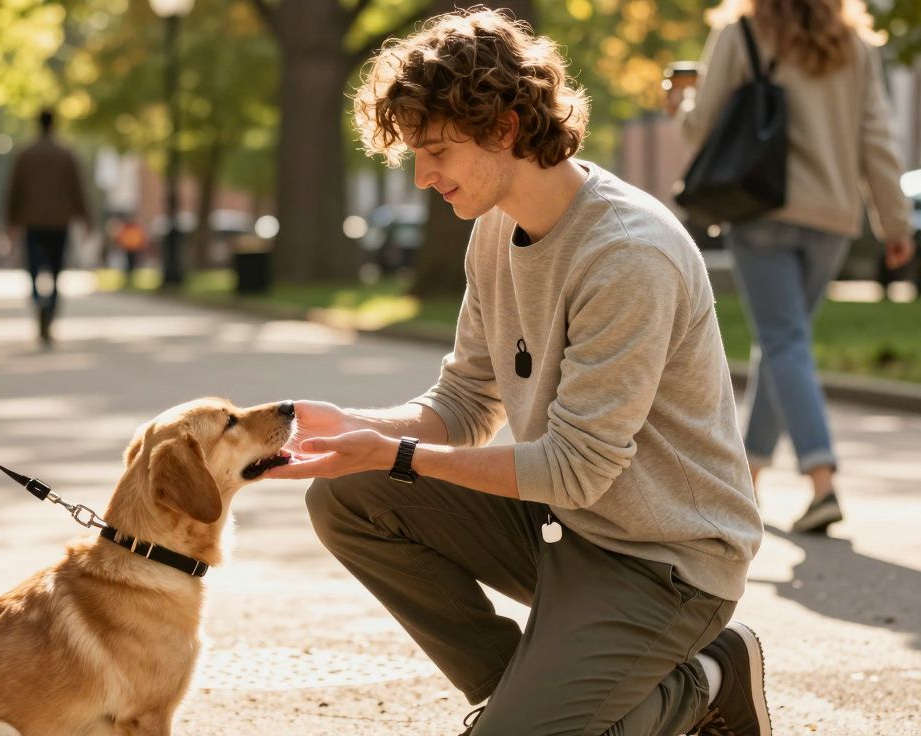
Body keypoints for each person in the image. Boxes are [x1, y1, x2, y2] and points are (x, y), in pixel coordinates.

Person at [267, 9, 768, 735]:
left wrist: (399, 454)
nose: (422, 175)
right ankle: (519, 701)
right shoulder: (494, 230)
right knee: (346, 492)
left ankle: (709, 676)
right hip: (566, 528)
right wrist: (359, 429)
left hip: (667, 562)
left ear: (505, 127)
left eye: (435, 149)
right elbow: (466, 402)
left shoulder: (628, 254)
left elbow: (576, 468)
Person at [668, 0, 915, 534]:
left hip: (761, 210)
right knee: (784, 342)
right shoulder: (854, 45)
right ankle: (749, 474)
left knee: (783, 342)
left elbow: (701, 128)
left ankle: (821, 480)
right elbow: (877, 140)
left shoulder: (742, 32)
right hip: (832, 217)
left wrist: (681, 102)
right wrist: (895, 224)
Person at [5, 109, 92, 343]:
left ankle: (38, 302)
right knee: (55, 271)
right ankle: (50, 309)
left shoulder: (26, 154)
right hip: (59, 222)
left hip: (32, 221)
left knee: (33, 269)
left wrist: (11, 221)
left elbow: (15, 190)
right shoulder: (66, 154)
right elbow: (78, 189)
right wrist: (86, 219)